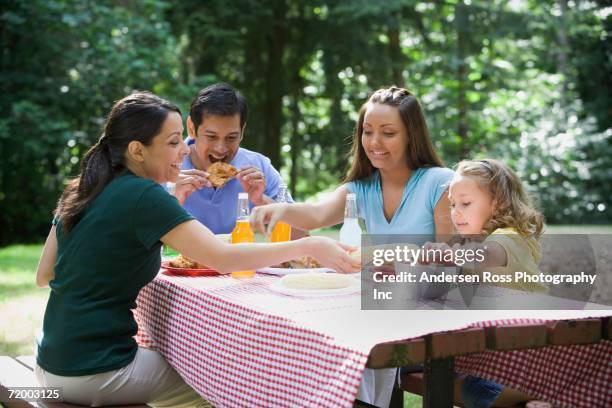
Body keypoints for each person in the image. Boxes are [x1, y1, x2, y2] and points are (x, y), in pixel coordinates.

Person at [34, 91, 358, 407]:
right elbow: (222, 258)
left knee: (199, 368)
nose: (182, 152)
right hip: (94, 372)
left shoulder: (83, 188)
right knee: (228, 385)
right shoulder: (146, 196)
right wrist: (312, 243)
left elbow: (44, 274)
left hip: (49, 365)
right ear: (137, 150)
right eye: (173, 142)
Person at [250, 86, 454, 407]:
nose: (374, 142)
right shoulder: (361, 187)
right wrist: (278, 209)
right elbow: (316, 214)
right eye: (367, 131)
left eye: (388, 133)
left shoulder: (440, 183)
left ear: (412, 135)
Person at [426, 158, 546, 408]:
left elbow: (488, 256)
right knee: (414, 363)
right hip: (493, 351)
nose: (456, 212)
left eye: (466, 203)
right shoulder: (472, 242)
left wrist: (449, 255)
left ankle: (540, 394)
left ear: (498, 203)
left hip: (530, 357)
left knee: (465, 387)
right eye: (453, 204)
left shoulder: (509, 239)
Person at [173, 83, 295, 235]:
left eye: (231, 137)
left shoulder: (259, 166)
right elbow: (140, 241)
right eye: (211, 136)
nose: (221, 149)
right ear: (191, 128)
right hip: (180, 259)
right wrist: (172, 201)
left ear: (242, 131)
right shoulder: (166, 168)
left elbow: (301, 233)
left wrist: (260, 201)